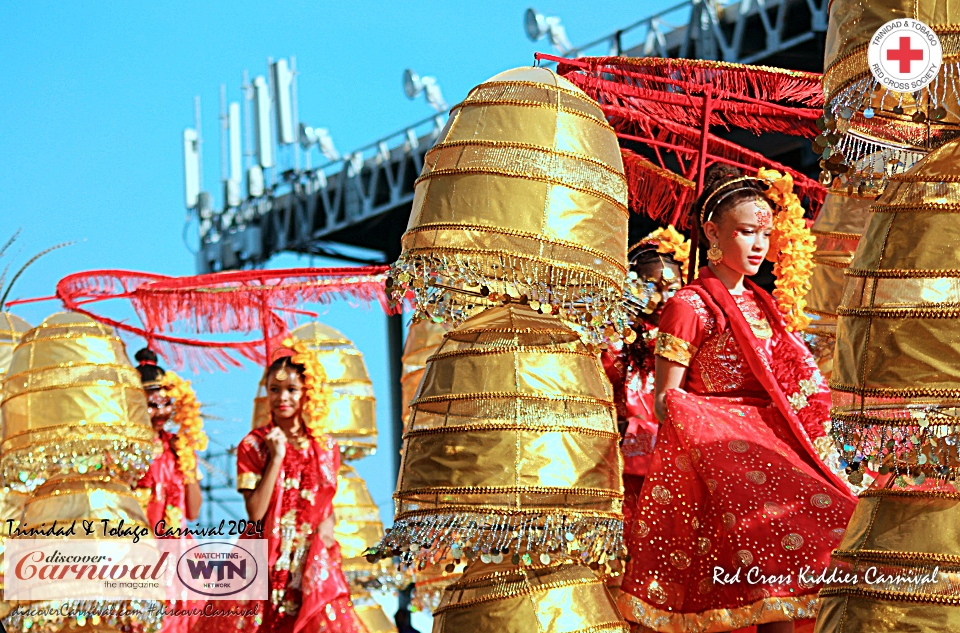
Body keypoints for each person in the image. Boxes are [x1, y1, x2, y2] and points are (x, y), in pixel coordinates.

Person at [616, 165, 857, 633]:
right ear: (712, 231)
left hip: (776, 448)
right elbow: (667, 400)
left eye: (765, 233)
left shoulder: (764, 303)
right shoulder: (689, 305)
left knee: (809, 573)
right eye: (746, 232)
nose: (760, 245)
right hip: (722, 467)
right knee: (763, 599)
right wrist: (724, 428)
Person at [210, 352, 365, 633]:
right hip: (265, 562)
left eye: (292, 390)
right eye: (274, 390)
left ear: (308, 392)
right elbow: (255, 512)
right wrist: (277, 457)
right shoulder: (254, 444)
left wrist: (324, 545)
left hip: (309, 564)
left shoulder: (325, 448)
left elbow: (326, 509)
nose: (283, 397)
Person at [602, 227, 687, 549]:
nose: (664, 297)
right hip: (625, 458)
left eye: (673, 288)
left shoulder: (688, 335)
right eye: (653, 286)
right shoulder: (617, 339)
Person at [134, 348, 205, 633]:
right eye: (151, 404)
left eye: (166, 404)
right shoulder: (125, 449)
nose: (160, 412)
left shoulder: (179, 448)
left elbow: (195, 510)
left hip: (177, 548)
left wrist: (188, 462)